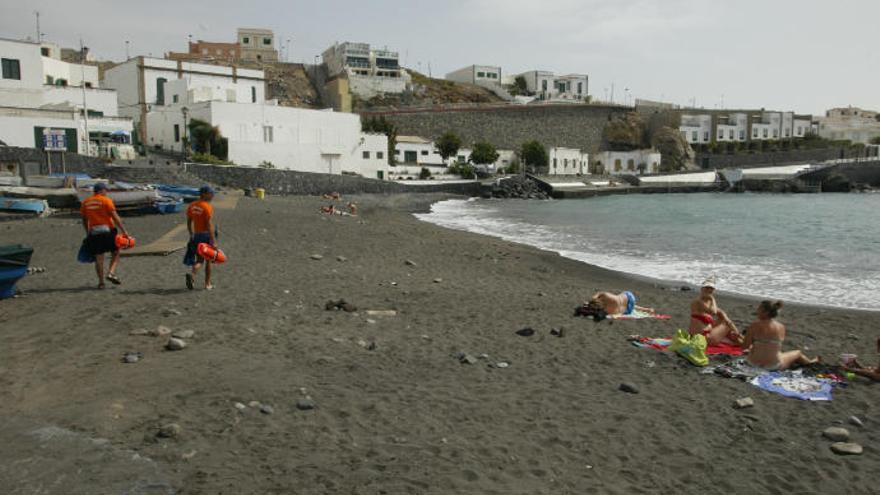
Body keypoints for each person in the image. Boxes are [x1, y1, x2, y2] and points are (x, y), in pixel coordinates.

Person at [740, 300, 819, 370]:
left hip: (753, 363)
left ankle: (810, 362)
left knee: (779, 352)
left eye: (759, 309)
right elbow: (775, 346)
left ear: (766, 312)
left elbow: (744, 347)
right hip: (773, 366)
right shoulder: (781, 327)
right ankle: (809, 362)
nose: (757, 311)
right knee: (797, 353)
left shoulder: (754, 325)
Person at [78, 182, 129, 289]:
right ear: (102, 190)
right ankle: (110, 273)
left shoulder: (85, 202)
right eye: (106, 190)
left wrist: (87, 233)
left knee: (99, 258)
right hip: (108, 231)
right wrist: (124, 231)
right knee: (115, 252)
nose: (107, 192)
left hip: (94, 233)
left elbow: (84, 219)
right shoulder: (106, 200)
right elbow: (115, 217)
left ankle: (101, 283)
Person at [688, 276, 743, 345]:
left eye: (711, 288)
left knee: (726, 321)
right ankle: (742, 339)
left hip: (703, 336)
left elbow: (720, 311)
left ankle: (740, 339)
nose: (709, 290)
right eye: (707, 288)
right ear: (702, 289)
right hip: (703, 338)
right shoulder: (698, 301)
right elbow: (713, 312)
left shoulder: (707, 302)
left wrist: (726, 319)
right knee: (727, 324)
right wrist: (712, 299)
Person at [184, 185, 217, 290]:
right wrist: (213, 240)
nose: (212, 196)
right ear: (204, 194)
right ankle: (207, 284)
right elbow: (209, 225)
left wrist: (191, 234)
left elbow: (189, 222)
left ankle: (192, 275)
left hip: (197, 235)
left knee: (199, 260)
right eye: (211, 193)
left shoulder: (192, 205)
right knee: (208, 260)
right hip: (206, 235)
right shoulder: (207, 207)